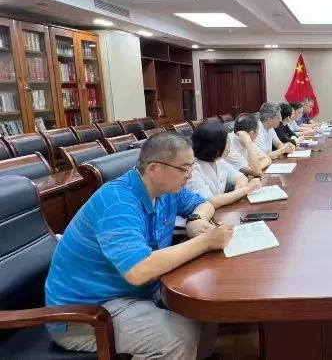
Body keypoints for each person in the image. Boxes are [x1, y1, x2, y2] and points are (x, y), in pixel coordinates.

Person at [45, 132, 233, 359]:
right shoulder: (118, 204)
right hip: (86, 312)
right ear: (154, 169)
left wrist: (195, 220)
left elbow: (204, 204)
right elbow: (138, 271)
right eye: (184, 168)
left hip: (135, 293)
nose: (189, 174)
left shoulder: (166, 190)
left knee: (205, 305)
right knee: (176, 338)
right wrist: (204, 242)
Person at [188, 120, 262, 207]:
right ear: (214, 147)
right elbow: (211, 202)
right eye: (227, 141)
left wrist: (238, 191)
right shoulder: (192, 170)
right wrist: (247, 189)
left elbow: (241, 178)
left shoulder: (219, 161)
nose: (229, 145)